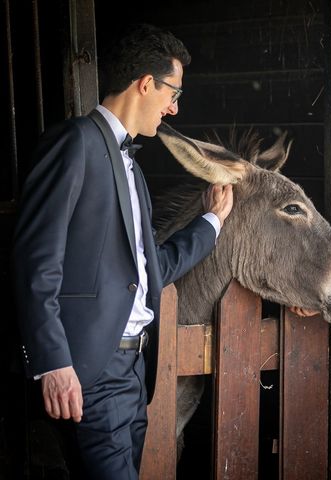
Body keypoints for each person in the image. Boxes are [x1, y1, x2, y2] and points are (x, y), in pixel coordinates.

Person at [12, 24, 233, 479]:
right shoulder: (74, 143)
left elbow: (154, 269)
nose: (173, 108)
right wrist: (54, 363)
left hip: (133, 373)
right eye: (173, 93)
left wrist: (212, 222)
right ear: (146, 84)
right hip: (89, 371)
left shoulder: (132, 169)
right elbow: (36, 264)